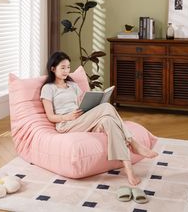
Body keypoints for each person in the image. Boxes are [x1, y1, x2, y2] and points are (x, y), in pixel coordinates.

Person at [40, 51, 158, 186]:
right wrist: (67, 116)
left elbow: (80, 104)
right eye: (63, 67)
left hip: (81, 119)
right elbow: (50, 116)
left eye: (68, 67)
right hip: (66, 124)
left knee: (109, 121)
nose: (66, 71)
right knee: (107, 107)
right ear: (52, 69)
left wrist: (89, 107)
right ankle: (133, 143)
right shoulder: (48, 88)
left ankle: (129, 169)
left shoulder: (72, 85)